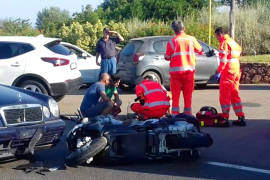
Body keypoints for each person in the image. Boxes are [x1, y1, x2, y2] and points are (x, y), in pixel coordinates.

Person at [164, 20, 203, 116]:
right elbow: (200, 50)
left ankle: (175, 116)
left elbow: (167, 57)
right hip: (189, 74)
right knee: (188, 97)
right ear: (184, 28)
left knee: (175, 98)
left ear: (174, 31)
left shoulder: (172, 41)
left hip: (176, 75)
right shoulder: (191, 39)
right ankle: (188, 115)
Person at [214, 27, 246, 126]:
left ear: (220, 34)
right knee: (234, 94)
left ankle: (224, 118)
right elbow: (238, 57)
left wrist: (219, 71)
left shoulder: (224, 43)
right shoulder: (233, 42)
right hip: (236, 71)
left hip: (228, 72)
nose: (217, 39)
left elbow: (223, 60)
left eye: (216, 36)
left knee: (224, 95)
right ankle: (240, 117)